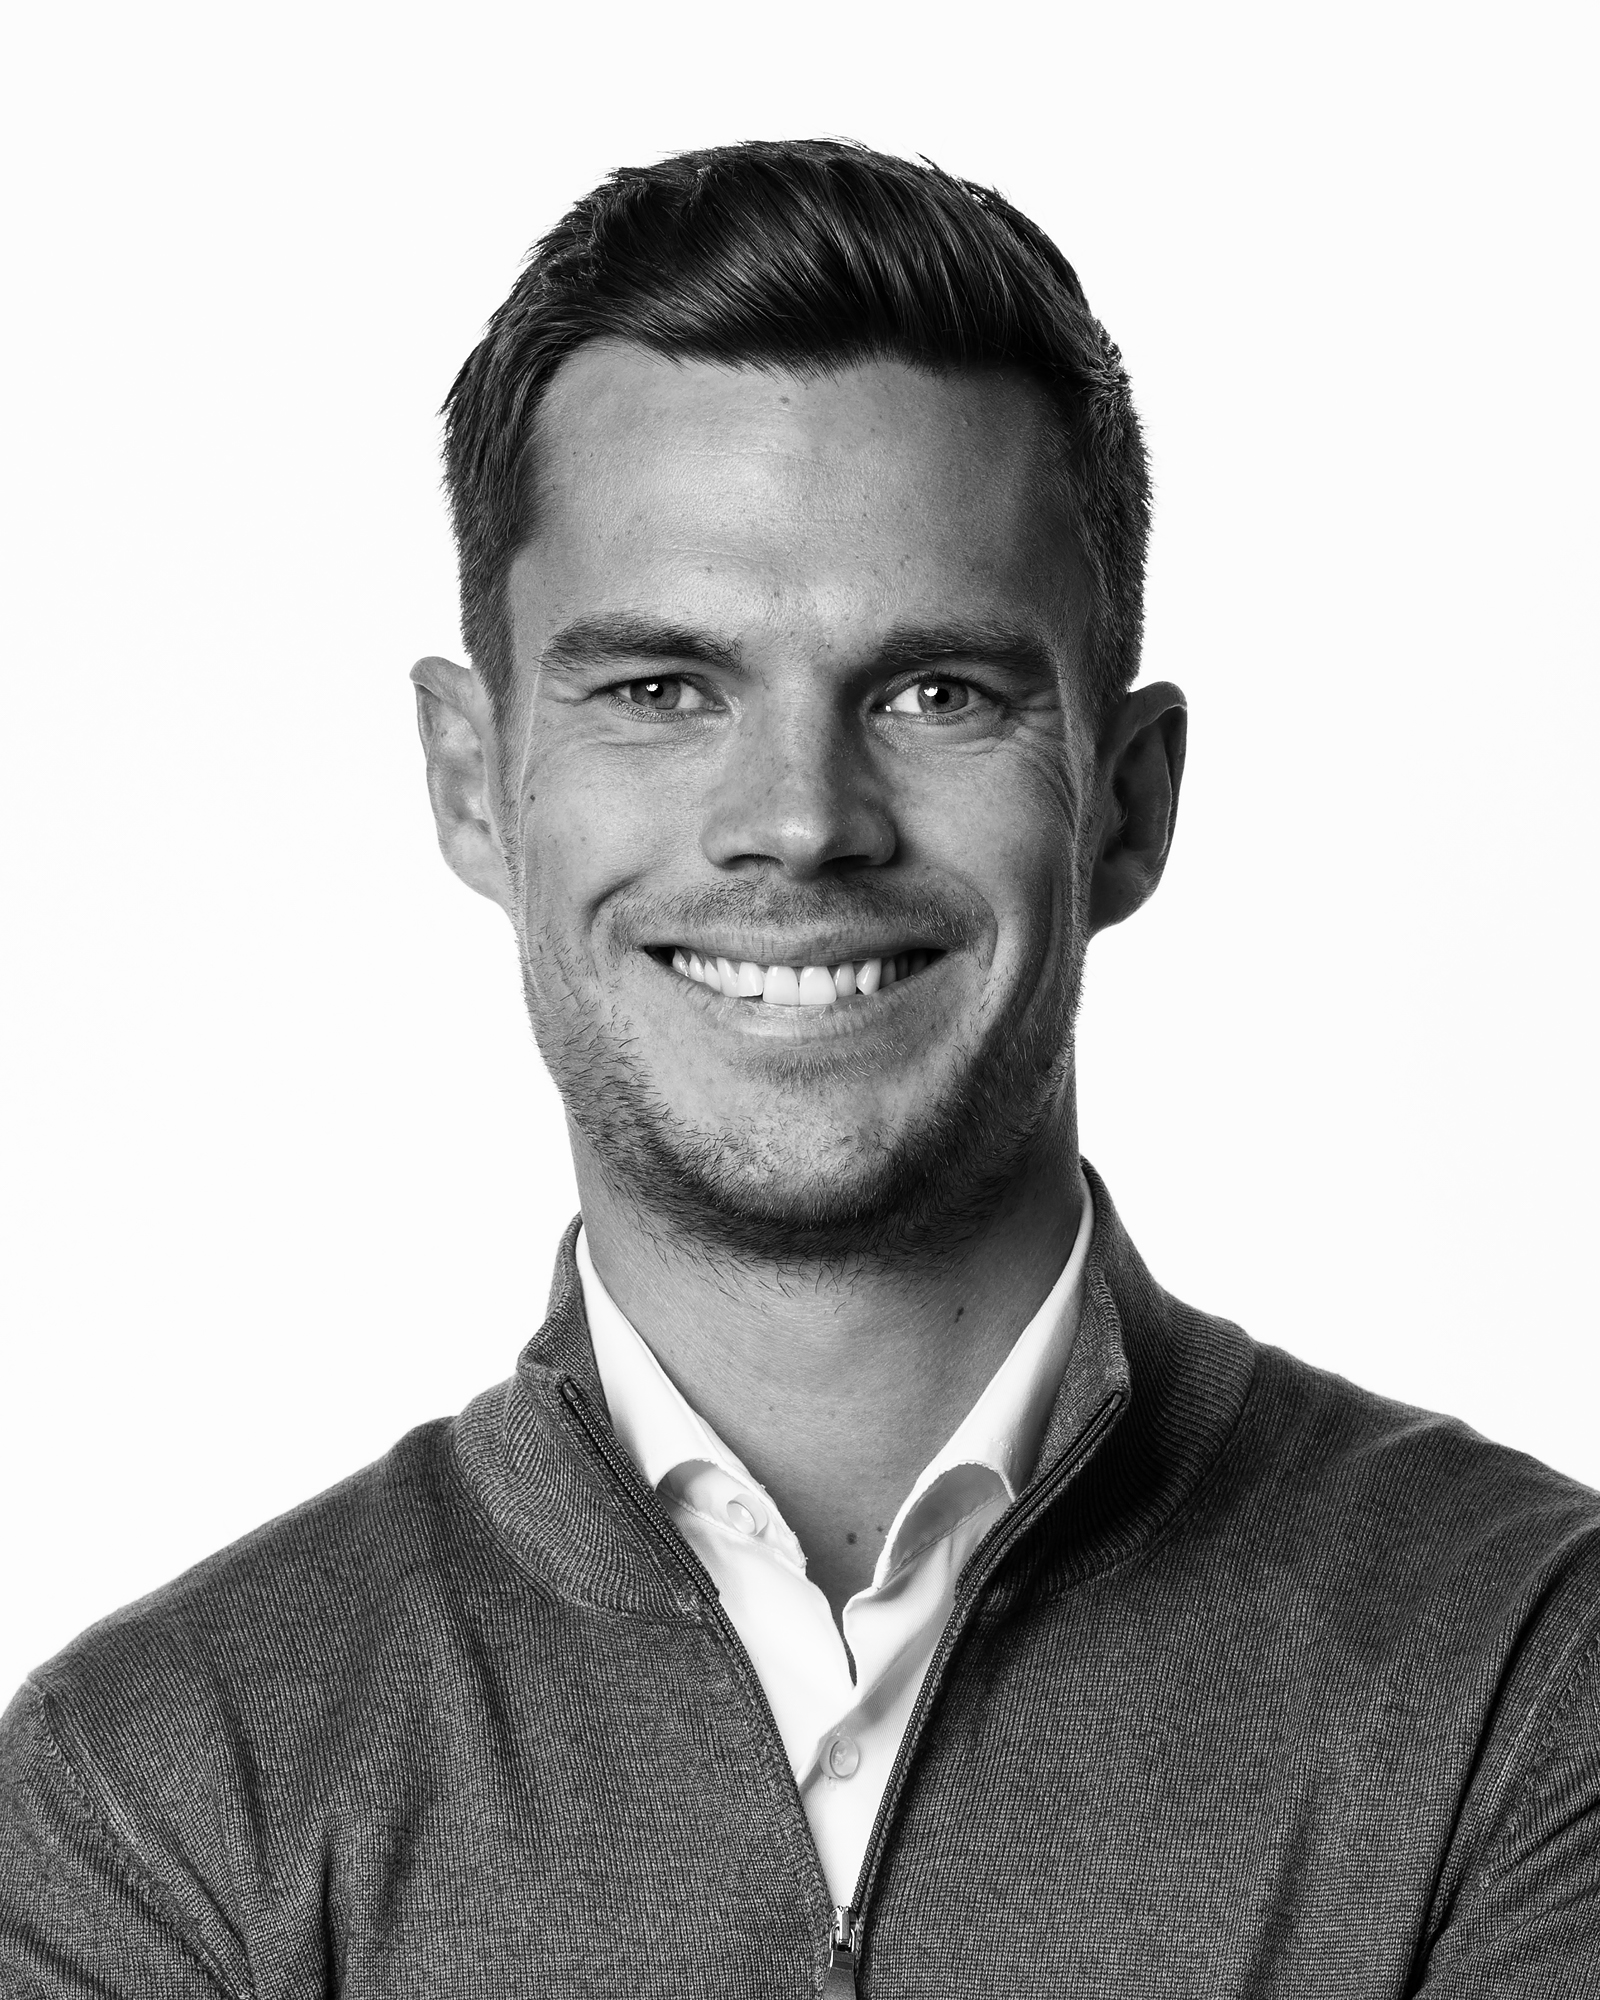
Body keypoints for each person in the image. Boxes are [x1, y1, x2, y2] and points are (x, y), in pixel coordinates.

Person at [2, 138, 1596, 1999]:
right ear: (473, 779)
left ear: (1129, 805)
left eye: (935, 693)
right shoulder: (161, 1799)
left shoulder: (1527, 1680)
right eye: (660, 689)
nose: (799, 819)